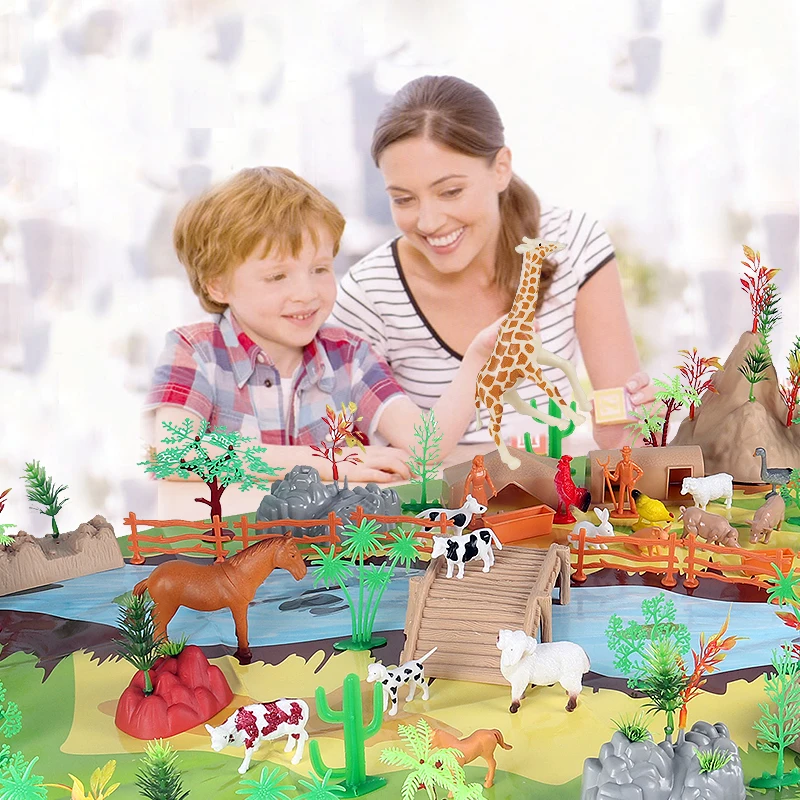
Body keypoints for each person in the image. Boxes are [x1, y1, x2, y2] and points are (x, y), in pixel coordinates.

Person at [331, 75, 654, 451]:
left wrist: (631, 424)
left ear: (501, 168)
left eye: (451, 191)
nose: (428, 222)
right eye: (403, 199)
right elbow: (347, 453)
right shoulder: (367, 295)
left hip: (552, 482)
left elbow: (625, 436)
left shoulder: (573, 243)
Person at [144, 166, 502, 483]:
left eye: (319, 269)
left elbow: (425, 446)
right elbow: (174, 453)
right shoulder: (195, 351)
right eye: (277, 276)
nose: (307, 293)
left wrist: (478, 359)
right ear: (217, 285)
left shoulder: (349, 356)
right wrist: (326, 461)